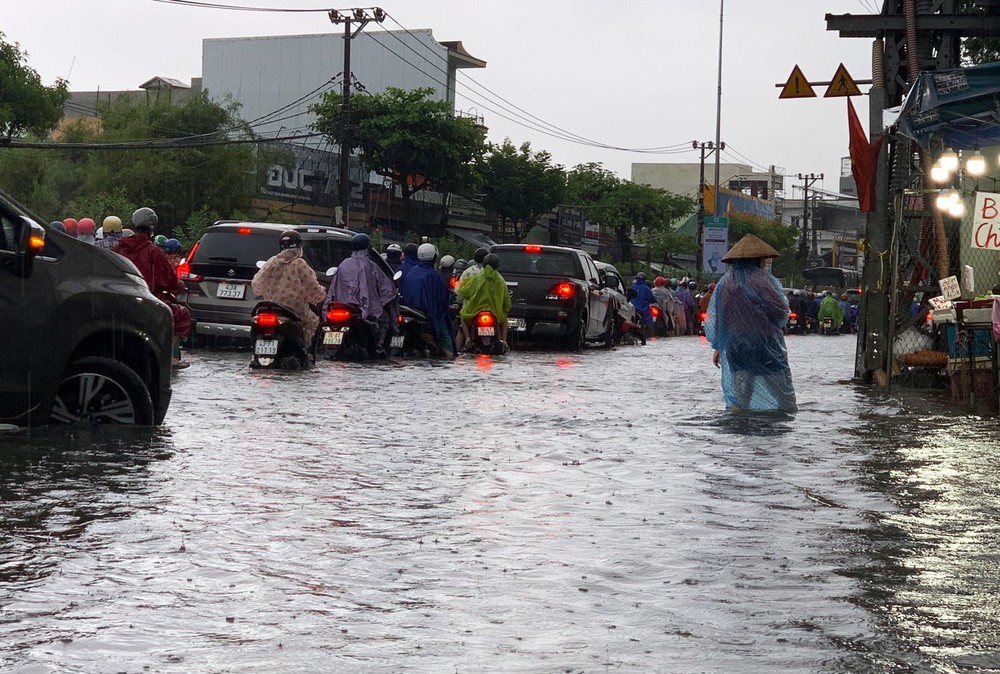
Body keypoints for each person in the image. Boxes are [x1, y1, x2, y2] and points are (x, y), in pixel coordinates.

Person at [704, 233, 797, 413]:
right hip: (764, 344)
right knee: (783, 396)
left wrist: (718, 347)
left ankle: (740, 424)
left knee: (741, 396)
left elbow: (719, 317)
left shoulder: (725, 283)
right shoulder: (764, 281)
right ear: (758, 260)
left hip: (735, 345)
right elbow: (780, 313)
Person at [113, 207, 192, 369]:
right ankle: (169, 357)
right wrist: (179, 285)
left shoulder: (120, 248)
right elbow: (169, 281)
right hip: (147, 300)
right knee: (181, 314)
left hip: (121, 299)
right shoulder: (153, 251)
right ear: (151, 229)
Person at [323, 233, 398, 355]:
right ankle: (379, 344)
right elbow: (386, 288)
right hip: (364, 308)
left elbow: (333, 289)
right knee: (384, 319)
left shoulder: (343, 264)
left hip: (341, 305)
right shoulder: (370, 265)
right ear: (367, 248)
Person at [252, 230, 327, 350]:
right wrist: (321, 295)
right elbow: (312, 287)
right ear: (298, 246)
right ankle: (304, 350)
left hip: (270, 307)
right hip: (293, 310)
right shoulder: (299, 264)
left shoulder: (272, 261)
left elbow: (256, 284)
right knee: (313, 321)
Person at [399, 242, 455, 357]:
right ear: (434, 257)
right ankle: (449, 355)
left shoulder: (411, 272)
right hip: (427, 312)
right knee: (445, 333)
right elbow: (442, 298)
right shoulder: (433, 276)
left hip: (410, 310)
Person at [457, 252, 511, 353]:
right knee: (504, 320)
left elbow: (465, 291)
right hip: (495, 313)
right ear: (497, 265)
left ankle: (468, 339)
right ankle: (504, 341)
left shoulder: (477, 278)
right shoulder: (500, 280)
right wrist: (506, 309)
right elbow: (506, 302)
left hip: (475, 311)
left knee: (463, 318)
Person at [629, 272, 659, 338]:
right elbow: (651, 298)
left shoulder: (633, 287)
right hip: (643, 309)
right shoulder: (645, 288)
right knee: (649, 322)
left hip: (632, 308)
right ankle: (652, 336)